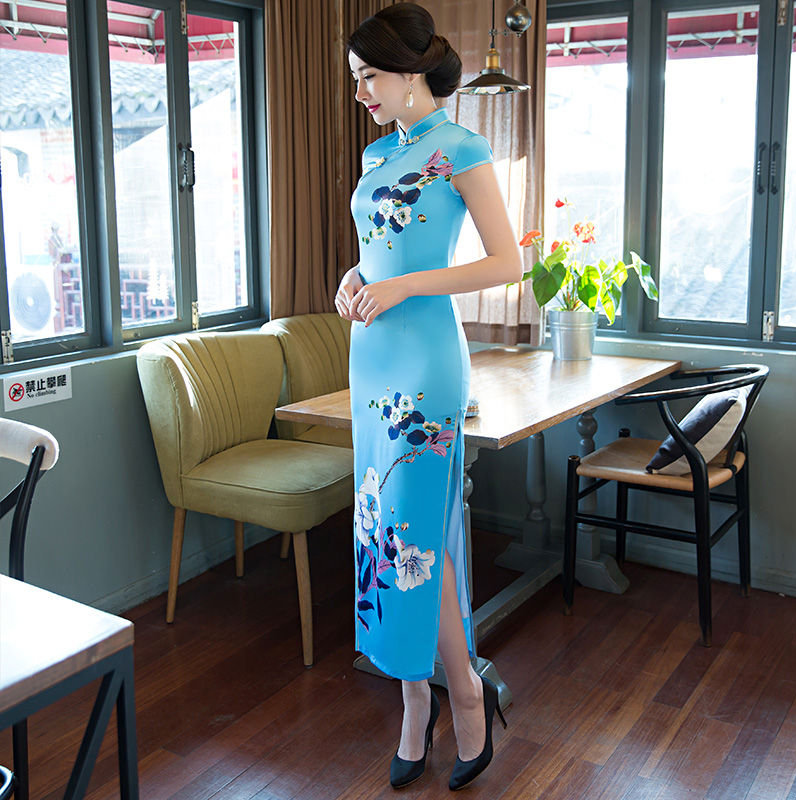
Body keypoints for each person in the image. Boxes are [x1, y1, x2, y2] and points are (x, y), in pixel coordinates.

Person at [336, 4, 523, 791]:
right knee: (385, 535)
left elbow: (507, 263)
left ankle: (464, 696)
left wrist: (407, 284)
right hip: (372, 359)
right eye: (355, 79)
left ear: (410, 73)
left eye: (369, 76)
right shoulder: (379, 152)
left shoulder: (462, 149)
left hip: (425, 367)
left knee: (415, 537)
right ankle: (418, 702)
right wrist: (353, 279)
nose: (360, 93)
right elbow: (376, 252)